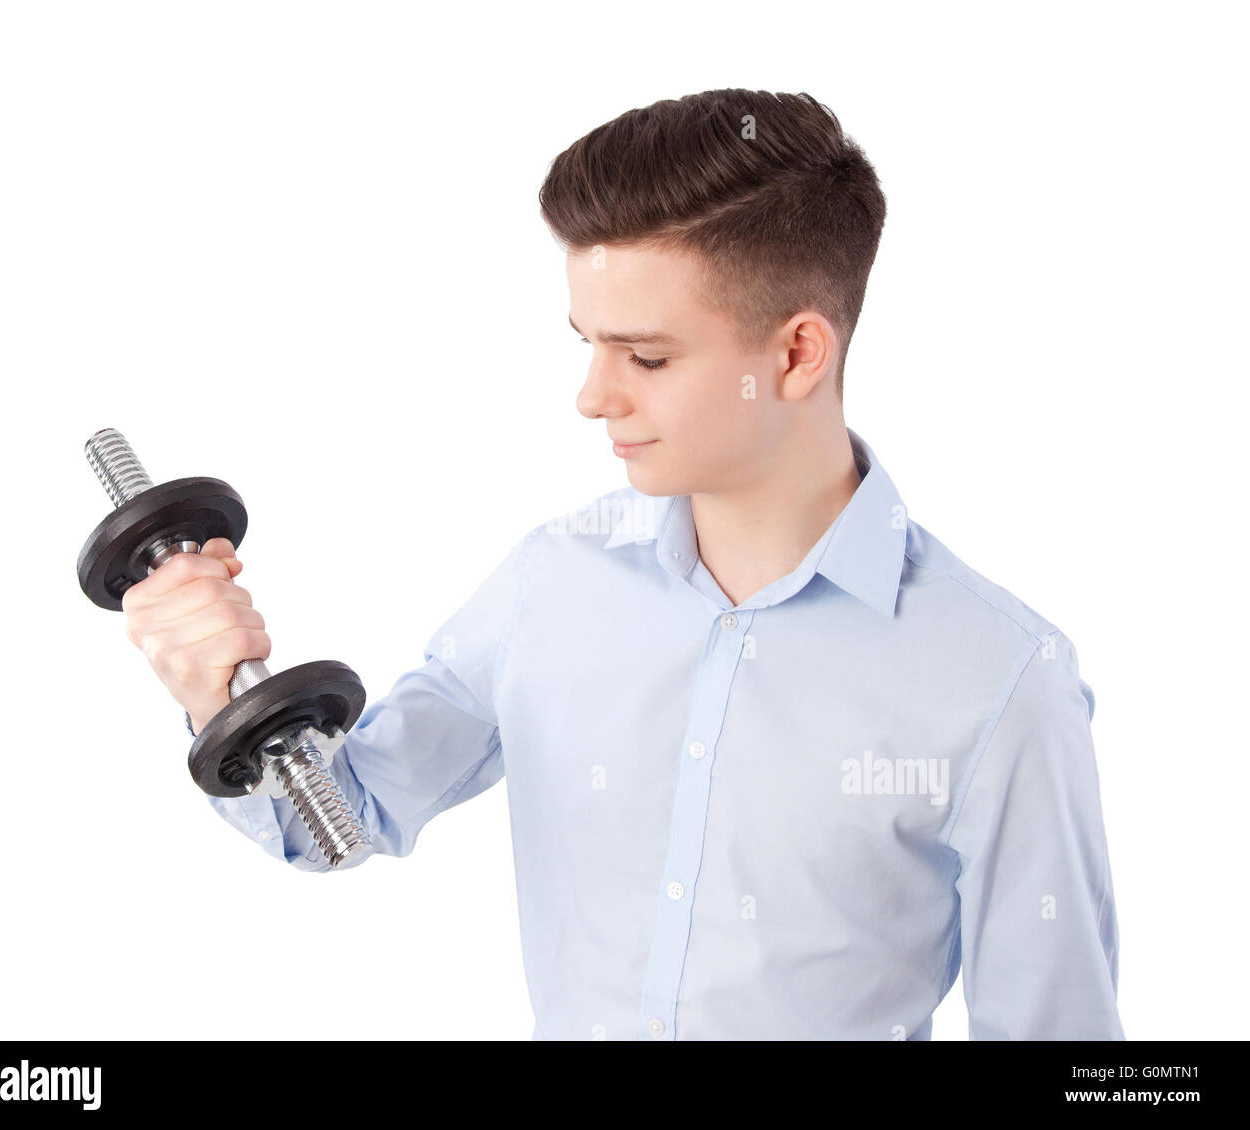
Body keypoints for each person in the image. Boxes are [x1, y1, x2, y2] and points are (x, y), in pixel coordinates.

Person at [122, 89, 1124, 1041]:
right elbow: (346, 814)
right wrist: (222, 701)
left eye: (644, 358)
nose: (592, 396)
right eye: (587, 345)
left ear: (795, 355)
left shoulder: (1000, 681)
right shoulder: (552, 582)